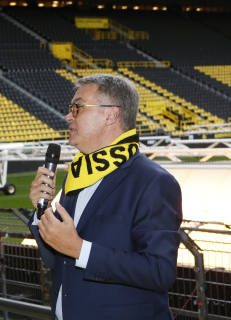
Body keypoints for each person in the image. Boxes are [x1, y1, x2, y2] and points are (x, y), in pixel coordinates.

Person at [29, 74, 182, 320]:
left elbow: (160, 272)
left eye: (77, 107)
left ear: (110, 115)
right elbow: (55, 260)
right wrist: (42, 212)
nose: (68, 116)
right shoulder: (78, 174)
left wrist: (80, 250)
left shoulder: (154, 181)